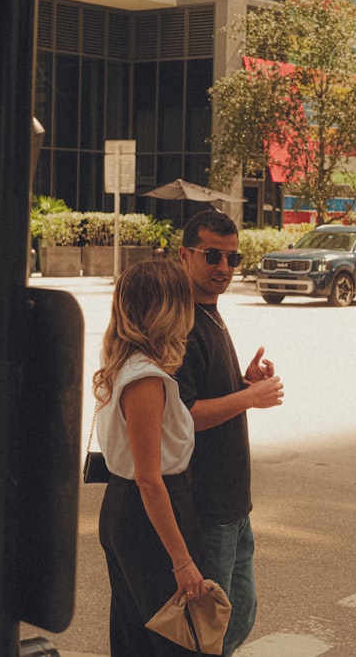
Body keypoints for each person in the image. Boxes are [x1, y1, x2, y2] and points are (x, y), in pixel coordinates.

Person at [176, 210, 284, 656]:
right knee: (210, 627)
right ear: (185, 255)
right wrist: (247, 400)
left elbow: (208, 394)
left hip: (233, 502)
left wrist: (243, 383)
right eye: (213, 256)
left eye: (233, 257)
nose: (224, 268)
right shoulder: (180, 324)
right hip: (207, 504)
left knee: (239, 613)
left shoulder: (212, 315)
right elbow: (180, 415)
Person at [95, 260, 211, 656]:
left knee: (137, 636)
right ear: (169, 310)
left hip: (127, 507)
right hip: (151, 512)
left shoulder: (129, 365)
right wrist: (181, 560)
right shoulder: (145, 379)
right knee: (175, 640)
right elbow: (149, 478)